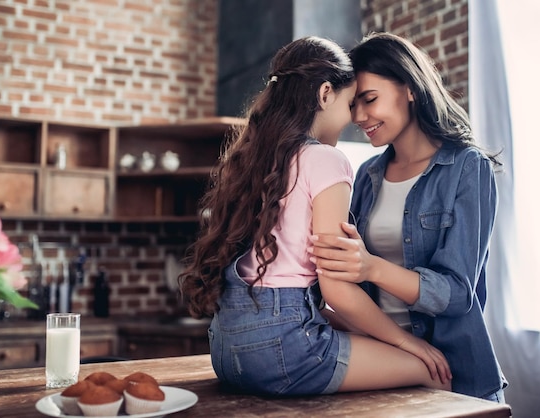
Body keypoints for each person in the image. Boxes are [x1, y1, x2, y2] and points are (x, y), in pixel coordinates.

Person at [179, 35, 452, 396]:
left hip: (226, 352)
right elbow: (336, 289)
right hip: (285, 351)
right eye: (351, 102)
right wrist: (408, 342)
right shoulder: (326, 159)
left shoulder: (254, 161)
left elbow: (295, 295)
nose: (355, 118)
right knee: (432, 370)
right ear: (325, 93)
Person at [307, 32, 507, 402]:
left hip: (452, 373)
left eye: (369, 100)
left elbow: (457, 294)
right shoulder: (365, 176)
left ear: (410, 88)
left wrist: (371, 268)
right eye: (353, 105)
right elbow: (338, 273)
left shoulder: (467, 168)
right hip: (382, 367)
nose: (359, 117)